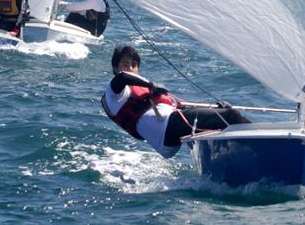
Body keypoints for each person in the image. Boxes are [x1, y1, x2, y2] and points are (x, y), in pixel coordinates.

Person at [101, 45, 250, 158]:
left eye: (134, 65)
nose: (131, 68)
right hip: (166, 128)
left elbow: (182, 106)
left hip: (170, 134)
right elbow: (122, 78)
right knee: (232, 116)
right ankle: (258, 146)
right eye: (126, 64)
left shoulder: (143, 89)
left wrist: (216, 108)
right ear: (115, 68)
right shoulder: (114, 93)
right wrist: (151, 85)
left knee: (223, 117)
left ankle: (234, 157)